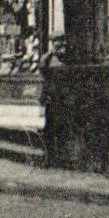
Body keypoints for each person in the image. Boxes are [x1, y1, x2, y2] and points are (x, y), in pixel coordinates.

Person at [37, 34, 67, 164]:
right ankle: (49, 157)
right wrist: (42, 100)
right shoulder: (47, 58)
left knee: (61, 128)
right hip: (51, 96)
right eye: (55, 42)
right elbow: (44, 78)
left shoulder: (65, 57)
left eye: (60, 42)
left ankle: (59, 156)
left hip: (63, 97)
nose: (58, 45)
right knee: (49, 128)